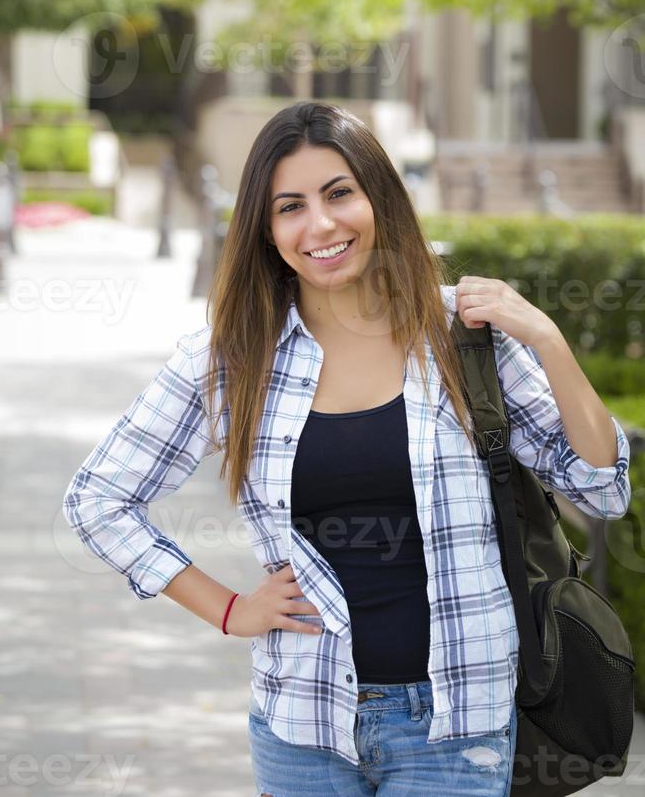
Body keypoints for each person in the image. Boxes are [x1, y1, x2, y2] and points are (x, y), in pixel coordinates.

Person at [63, 101, 631, 797]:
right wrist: (228, 608)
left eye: (339, 194)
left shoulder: (467, 336)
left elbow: (602, 487)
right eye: (290, 207)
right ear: (267, 231)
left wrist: (547, 338)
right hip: (302, 724)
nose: (321, 225)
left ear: (378, 199)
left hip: (456, 727)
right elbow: (99, 500)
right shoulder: (235, 355)